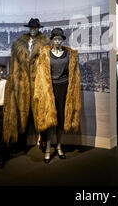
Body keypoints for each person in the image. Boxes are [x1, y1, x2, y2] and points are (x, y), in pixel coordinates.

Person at [33, 27, 81, 164]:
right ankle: (48, 149)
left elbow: (74, 74)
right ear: (52, 40)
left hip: (65, 88)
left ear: (62, 40)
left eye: (60, 39)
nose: (58, 41)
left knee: (61, 119)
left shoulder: (69, 55)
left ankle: (59, 146)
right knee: (50, 121)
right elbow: (40, 75)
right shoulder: (45, 54)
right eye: (55, 39)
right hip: (50, 89)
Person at [7, 18, 51, 152]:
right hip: (22, 84)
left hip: (39, 82)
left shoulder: (46, 43)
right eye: (31, 27)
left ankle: (44, 142)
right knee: (22, 113)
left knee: (40, 112)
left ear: (38, 29)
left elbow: (48, 64)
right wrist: (14, 80)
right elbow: (14, 64)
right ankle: (21, 143)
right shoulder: (19, 44)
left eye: (35, 28)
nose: (33, 30)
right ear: (28, 28)